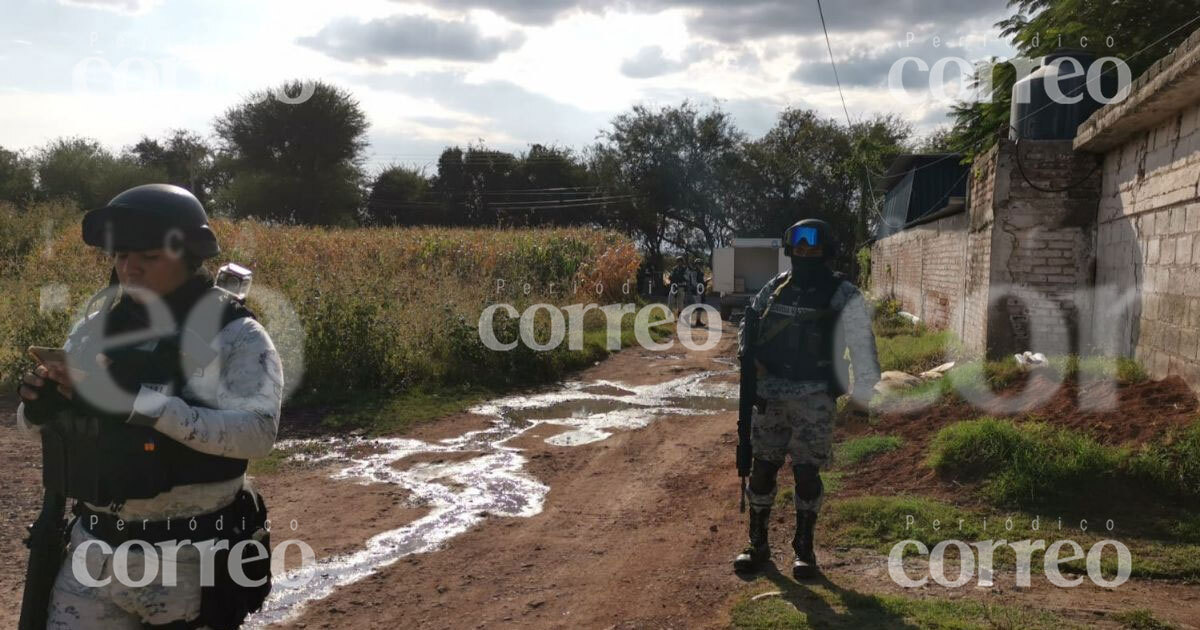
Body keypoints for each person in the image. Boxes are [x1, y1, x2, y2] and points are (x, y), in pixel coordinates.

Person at [15, 184, 285, 629]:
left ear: (188, 256)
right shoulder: (92, 330)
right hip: (93, 555)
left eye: (149, 257)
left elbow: (258, 433)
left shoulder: (237, 335)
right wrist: (39, 409)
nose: (130, 268)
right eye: (121, 256)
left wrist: (140, 404)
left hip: (189, 564)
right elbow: (36, 427)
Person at [733, 218, 880, 579]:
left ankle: (804, 550)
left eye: (812, 245)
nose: (804, 250)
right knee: (762, 470)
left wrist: (862, 396)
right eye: (798, 244)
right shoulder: (776, 287)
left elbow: (863, 346)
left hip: (815, 397)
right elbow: (747, 326)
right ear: (790, 248)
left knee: (806, 473)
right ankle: (758, 544)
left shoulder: (843, 294)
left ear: (825, 249)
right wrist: (752, 361)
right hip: (770, 397)